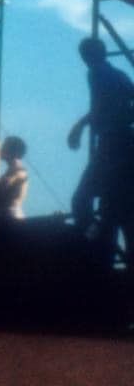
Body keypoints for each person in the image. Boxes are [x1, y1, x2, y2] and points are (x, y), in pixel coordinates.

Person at [68, 36, 134, 263]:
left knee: (81, 200)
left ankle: (94, 237)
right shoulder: (121, 76)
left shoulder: (96, 72)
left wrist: (80, 126)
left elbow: (100, 105)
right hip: (126, 144)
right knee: (121, 206)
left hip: (111, 144)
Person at [0, 135, 28, 219]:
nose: (0, 149)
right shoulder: (13, 170)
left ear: (13, 151)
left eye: (4, 147)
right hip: (7, 214)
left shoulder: (18, 171)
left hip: (10, 216)